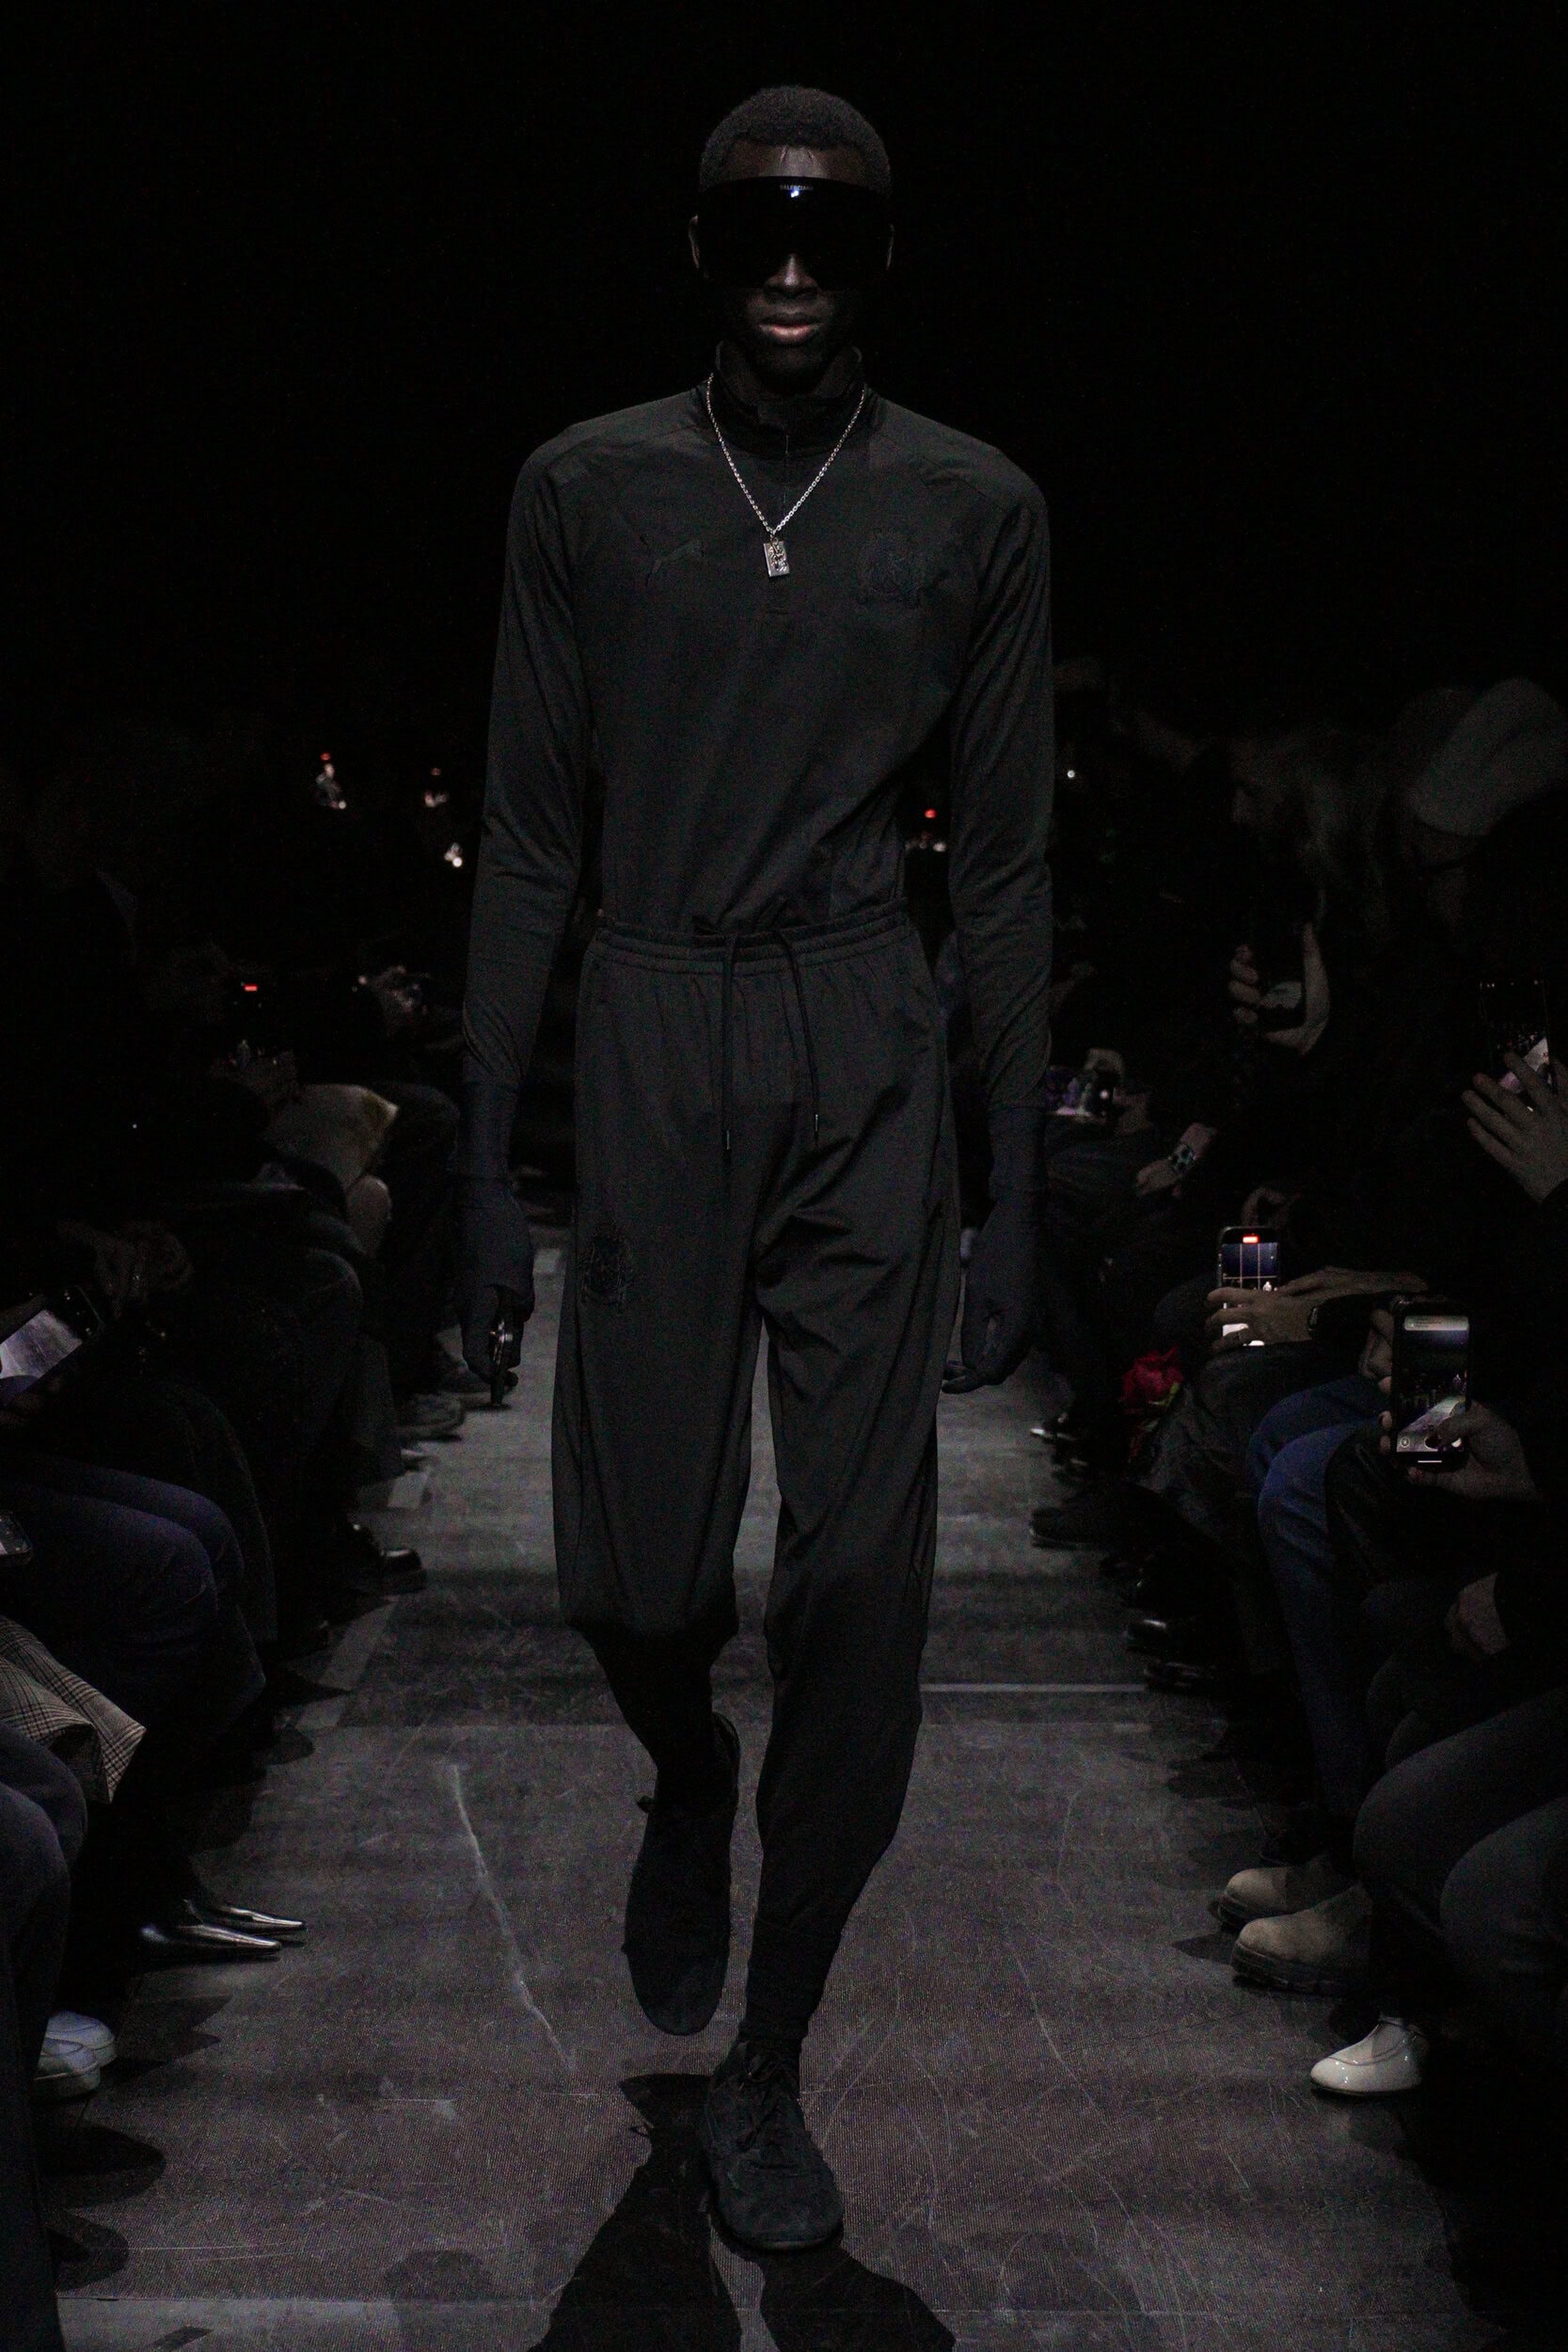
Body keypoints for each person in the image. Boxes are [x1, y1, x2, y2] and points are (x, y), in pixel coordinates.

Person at [455, 86, 1053, 2249]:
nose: (792, 258)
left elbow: (1005, 865)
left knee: (864, 1589)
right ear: (700, 245)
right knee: (633, 1575)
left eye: (832, 223)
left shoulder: (975, 507)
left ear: (882, 251)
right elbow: (529, 831)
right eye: (754, 221)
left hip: (860, 1026)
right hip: (654, 1012)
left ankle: (772, 2060)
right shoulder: (587, 489)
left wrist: (1016, 1181)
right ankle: (689, 1768)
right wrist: (474, 1164)